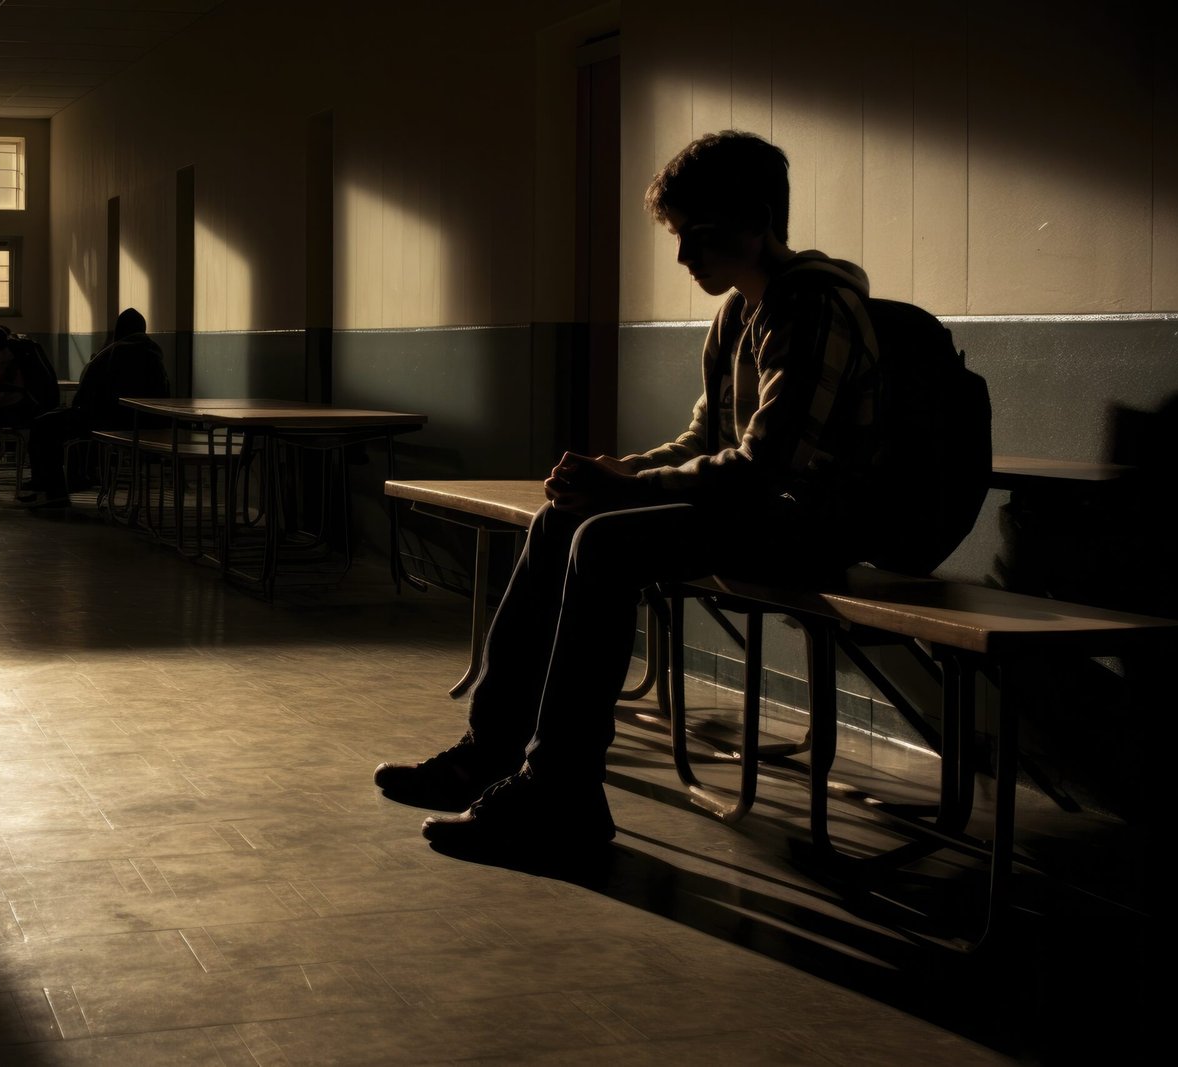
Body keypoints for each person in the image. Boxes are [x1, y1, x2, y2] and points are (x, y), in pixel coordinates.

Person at [374, 130, 903, 859]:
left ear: (755, 224)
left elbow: (766, 466)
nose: (684, 256)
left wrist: (619, 494)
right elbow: (700, 443)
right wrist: (617, 474)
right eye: (680, 236)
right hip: (758, 509)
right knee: (564, 518)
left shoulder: (811, 306)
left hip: (810, 524)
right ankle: (488, 753)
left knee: (604, 538)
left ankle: (561, 793)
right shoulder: (738, 313)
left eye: (699, 235)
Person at [21, 307, 171, 507]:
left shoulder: (111, 353)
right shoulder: (155, 356)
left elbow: (86, 394)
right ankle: (66, 481)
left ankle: (52, 489)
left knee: (43, 425)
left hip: (106, 419)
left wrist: (78, 408)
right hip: (141, 422)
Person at [0, 323, 60, 489]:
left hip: (26, 409)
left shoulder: (8, 357)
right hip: (32, 406)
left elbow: (7, 392)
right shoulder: (18, 351)